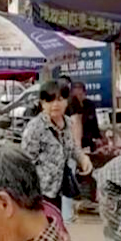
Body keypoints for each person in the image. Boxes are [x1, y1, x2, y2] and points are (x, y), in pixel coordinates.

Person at [21, 80, 92, 209]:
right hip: (39, 193)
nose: (55, 105)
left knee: (55, 225)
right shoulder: (35, 127)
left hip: (58, 190)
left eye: (60, 99)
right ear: (42, 103)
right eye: (50, 100)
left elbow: (71, 148)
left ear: (66, 101)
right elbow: (26, 162)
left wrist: (82, 158)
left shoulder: (68, 123)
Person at [69, 82, 102, 151]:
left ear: (84, 93)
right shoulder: (68, 107)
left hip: (89, 141)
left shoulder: (90, 105)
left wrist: (98, 137)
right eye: (76, 95)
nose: (78, 97)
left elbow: (94, 123)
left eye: (80, 94)